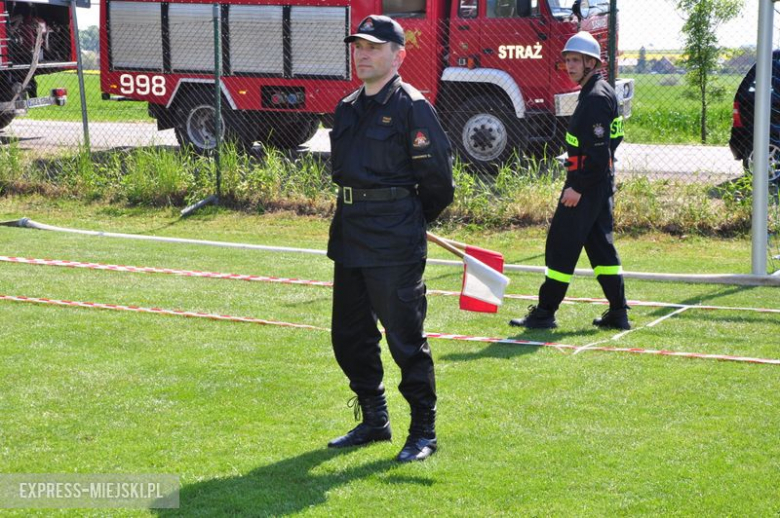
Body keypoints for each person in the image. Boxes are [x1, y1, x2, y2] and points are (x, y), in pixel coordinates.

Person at [326, 15, 454, 463]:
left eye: (374, 47)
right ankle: (374, 419)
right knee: (349, 336)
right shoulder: (346, 107)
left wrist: (406, 222)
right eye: (358, 46)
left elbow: (438, 182)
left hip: (394, 240)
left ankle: (423, 430)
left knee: (404, 337)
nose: (363, 54)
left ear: (398, 55)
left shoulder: (412, 107)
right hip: (350, 235)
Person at [509, 31, 630, 331]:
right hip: (596, 183)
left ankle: (544, 313)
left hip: (586, 185)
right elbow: (605, 143)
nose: (570, 65)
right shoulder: (597, 93)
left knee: (561, 245)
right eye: (567, 60)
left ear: (591, 63)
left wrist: (578, 186)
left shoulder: (596, 97)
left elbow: (601, 153)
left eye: (576, 60)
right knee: (602, 249)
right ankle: (618, 312)